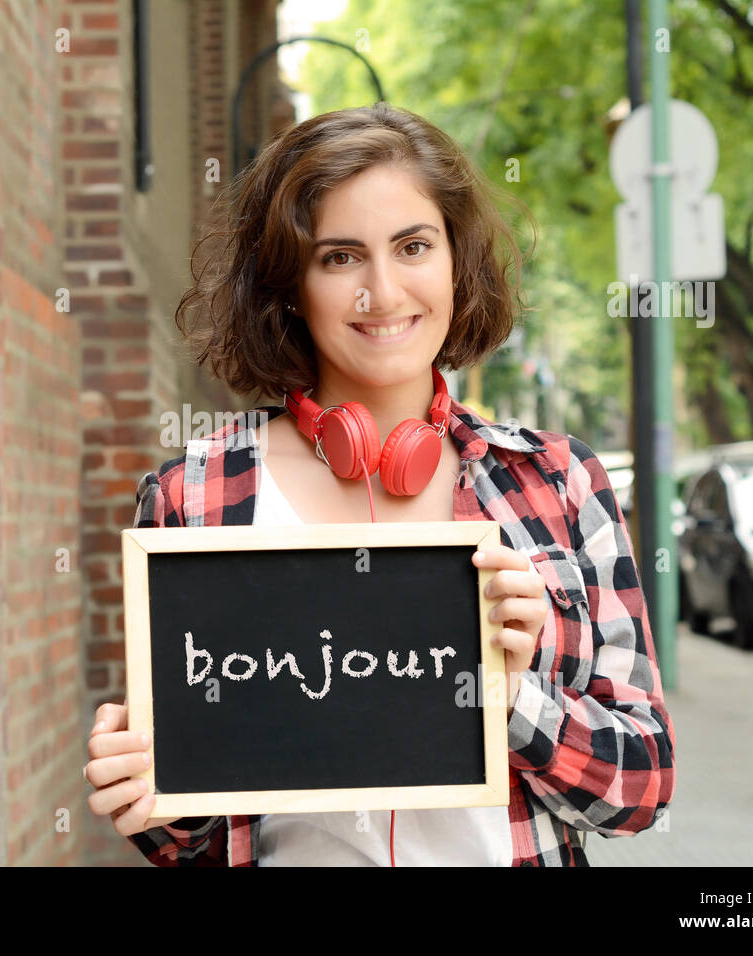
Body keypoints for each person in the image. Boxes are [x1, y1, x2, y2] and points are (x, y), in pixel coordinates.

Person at [84, 103, 675, 866]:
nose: (383, 291)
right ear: (289, 285)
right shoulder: (192, 499)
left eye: (413, 246)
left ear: (457, 264)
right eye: (339, 257)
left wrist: (510, 691)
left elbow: (642, 791)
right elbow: (186, 839)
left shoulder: (558, 482)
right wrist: (144, 795)